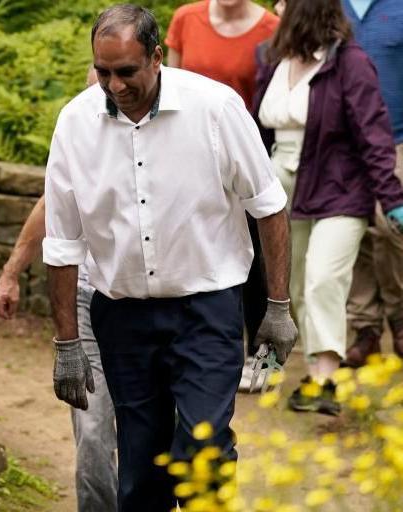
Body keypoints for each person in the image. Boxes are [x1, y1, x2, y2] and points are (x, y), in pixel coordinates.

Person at [45, 5, 296, 511]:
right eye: (103, 72)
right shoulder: (75, 122)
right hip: (122, 315)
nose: (113, 86)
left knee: (201, 443)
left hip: (206, 310)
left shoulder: (217, 109)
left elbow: (268, 207)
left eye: (126, 72)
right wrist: (66, 342)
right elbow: (62, 242)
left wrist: (277, 306)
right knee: (142, 464)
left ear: (157, 57)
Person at [252, 0, 403, 415]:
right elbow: (255, 130)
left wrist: (392, 201)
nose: (277, 7)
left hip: (340, 187)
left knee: (323, 278)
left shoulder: (350, 64)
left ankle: (325, 380)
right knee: (296, 283)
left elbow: (374, 135)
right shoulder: (271, 59)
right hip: (282, 188)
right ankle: (315, 368)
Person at [0, 70, 117, 510]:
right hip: (86, 297)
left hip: (153, 304)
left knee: (161, 427)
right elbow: (49, 204)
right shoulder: (77, 135)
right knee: (94, 426)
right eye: (96, 85)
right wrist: (10, 273)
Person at [166, 0, 281, 392]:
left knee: (260, 264)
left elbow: (276, 97)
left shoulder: (271, 27)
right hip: (188, 159)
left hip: (248, 156)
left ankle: (267, 363)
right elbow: (166, 86)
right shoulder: (186, 18)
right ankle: (198, 355)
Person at [342, 0, 403, 367]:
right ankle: (365, 329)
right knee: (355, 231)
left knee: (390, 226)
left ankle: (399, 317)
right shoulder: (329, 7)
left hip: (397, 139)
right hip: (343, 143)